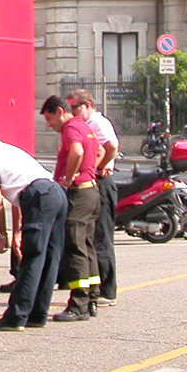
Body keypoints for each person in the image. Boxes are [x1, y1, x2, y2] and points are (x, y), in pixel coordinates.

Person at [0, 121, 67, 331]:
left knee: (33, 257)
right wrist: (17, 231)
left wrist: (3, 233)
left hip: (38, 196)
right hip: (54, 193)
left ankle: (16, 316)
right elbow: (19, 197)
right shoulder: (7, 149)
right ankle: (38, 314)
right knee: (50, 257)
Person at [40, 94, 101, 322]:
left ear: (60, 111)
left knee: (75, 246)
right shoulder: (85, 127)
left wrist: (71, 175)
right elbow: (101, 152)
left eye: (49, 118)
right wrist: (89, 171)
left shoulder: (71, 128)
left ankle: (78, 304)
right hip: (92, 191)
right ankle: (92, 296)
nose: (50, 124)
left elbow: (76, 151)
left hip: (79, 193)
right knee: (87, 244)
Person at [66, 89, 119, 308]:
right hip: (93, 181)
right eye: (70, 108)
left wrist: (98, 166)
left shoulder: (97, 123)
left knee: (102, 237)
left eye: (76, 107)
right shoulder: (85, 126)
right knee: (92, 236)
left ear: (88, 105)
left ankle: (108, 289)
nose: (73, 112)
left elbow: (111, 147)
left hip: (101, 181)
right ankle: (97, 286)